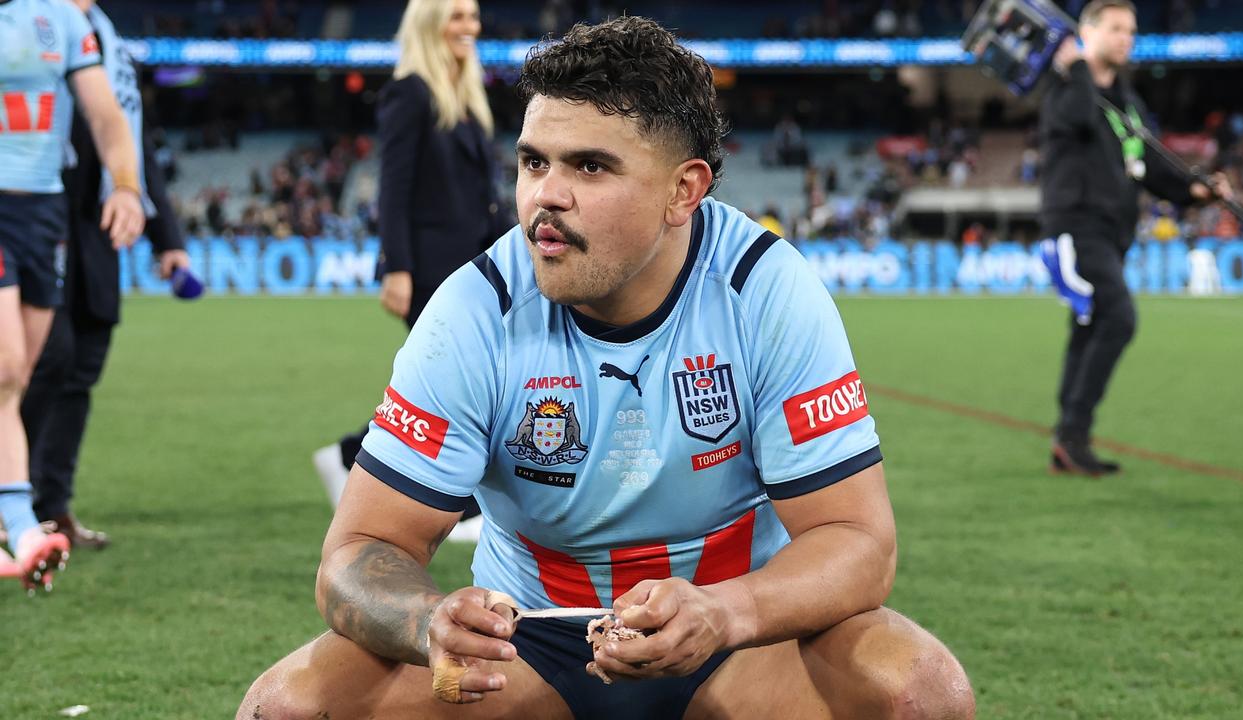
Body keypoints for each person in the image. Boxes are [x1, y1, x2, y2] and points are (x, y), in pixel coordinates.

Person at [241, 17, 974, 720]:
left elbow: (858, 541)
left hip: (737, 641)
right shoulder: (475, 307)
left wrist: (725, 612)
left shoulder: (764, 289)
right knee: (287, 707)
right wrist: (424, 619)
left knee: (920, 693)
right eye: (534, 162)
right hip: (527, 641)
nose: (545, 197)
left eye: (590, 166)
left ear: (684, 191)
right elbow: (360, 551)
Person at [312, 0, 507, 543]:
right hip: (428, 267)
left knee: (464, 382)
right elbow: (393, 187)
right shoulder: (411, 91)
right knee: (453, 384)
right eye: (458, 17)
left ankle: (349, 454)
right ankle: (372, 463)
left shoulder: (464, 95)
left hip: (469, 263)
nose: (470, 27)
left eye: (473, 16)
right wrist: (395, 267)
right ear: (430, 24)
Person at [20, 0, 189, 550]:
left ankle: (51, 508)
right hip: (36, 212)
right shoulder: (26, 24)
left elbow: (131, 141)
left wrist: (168, 240)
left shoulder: (107, 40)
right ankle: (13, 503)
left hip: (99, 221)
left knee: (83, 360)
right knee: (44, 358)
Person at [1040, 0, 1230, 476]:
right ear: (1087, 32)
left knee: (1090, 328)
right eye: (1116, 28)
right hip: (1076, 228)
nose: (1127, 37)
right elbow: (1081, 118)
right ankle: (1072, 434)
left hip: (1111, 233)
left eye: (1132, 29)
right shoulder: (1066, 91)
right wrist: (1079, 65)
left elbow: (1147, 166)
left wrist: (1195, 191)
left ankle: (1069, 440)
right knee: (1118, 317)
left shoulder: (1128, 104)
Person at [0, 0, 144, 592]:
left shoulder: (61, 18)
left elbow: (105, 114)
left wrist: (128, 187)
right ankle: (20, 522)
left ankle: (15, 518)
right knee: (6, 368)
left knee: (21, 376)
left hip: (41, 210)